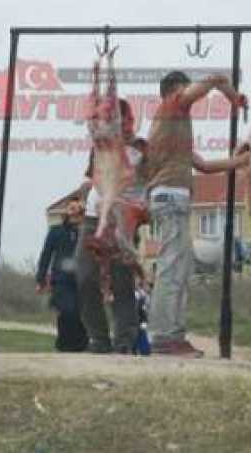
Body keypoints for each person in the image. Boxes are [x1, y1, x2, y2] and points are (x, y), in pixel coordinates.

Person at [143, 71, 246, 357]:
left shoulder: (170, 128)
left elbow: (204, 166)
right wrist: (232, 96)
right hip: (171, 198)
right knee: (172, 268)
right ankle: (166, 337)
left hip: (170, 198)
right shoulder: (171, 107)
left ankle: (170, 335)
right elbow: (213, 77)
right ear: (175, 90)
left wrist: (244, 160)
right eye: (185, 89)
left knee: (176, 266)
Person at [76, 99, 146, 354]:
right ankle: (98, 338)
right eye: (119, 121)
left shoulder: (141, 149)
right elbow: (91, 179)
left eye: (128, 120)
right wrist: (81, 197)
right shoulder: (101, 145)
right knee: (84, 276)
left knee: (121, 280)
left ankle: (124, 341)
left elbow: (150, 182)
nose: (125, 126)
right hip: (94, 217)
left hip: (122, 219)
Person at [36, 195, 88, 352]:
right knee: (67, 310)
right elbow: (46, 255)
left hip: (83, 279)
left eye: (78, 208)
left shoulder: (86, 232)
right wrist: (41, 279)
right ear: (66, 211)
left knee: (81, 313)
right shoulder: (56, 231)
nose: (74, 212)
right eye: (71, 208)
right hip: (61, 280)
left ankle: (80, 345)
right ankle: (64, 344)